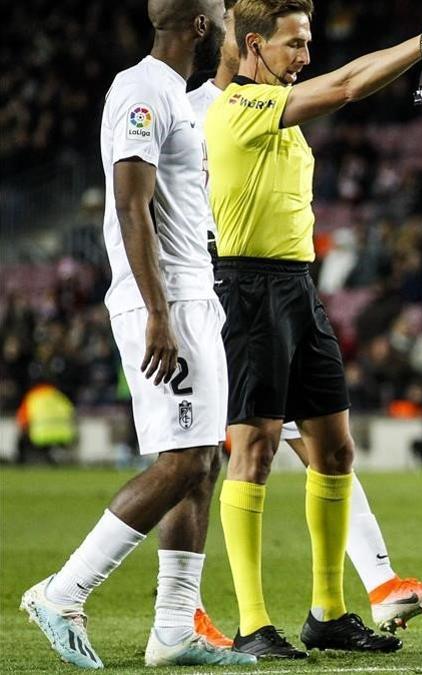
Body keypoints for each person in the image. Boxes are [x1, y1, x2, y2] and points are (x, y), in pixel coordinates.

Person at [204, 0, 422, 658]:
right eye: (294, 44)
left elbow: (346, 74)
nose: (305, 56)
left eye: (307, 43)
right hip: (248, 286)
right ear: (254, 44)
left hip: (299, 286)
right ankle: (251, 623)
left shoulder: (278, 108)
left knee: (335, 450)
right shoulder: (236, 108)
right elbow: (351, 84)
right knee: (255, 450)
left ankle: (327, 611)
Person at [19, 0, 255, 668]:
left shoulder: (175, 96)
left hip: (192, 292)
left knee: (204, 458)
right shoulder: (141, 88)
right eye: (223, 17)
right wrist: (156, 309)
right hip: (165, 298)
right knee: (179, 460)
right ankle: (62, 592)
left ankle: (175, 627)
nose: (230, 28)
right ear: (202, 27)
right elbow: (129, 202)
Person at [15, 381, 76, 465]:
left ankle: (21, 463)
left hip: (41, 435)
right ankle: (54, 459)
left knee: (22, 438)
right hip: (64, 435)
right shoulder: (60, 396)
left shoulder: (32, 397)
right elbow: (72, 413)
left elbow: (22, 420)